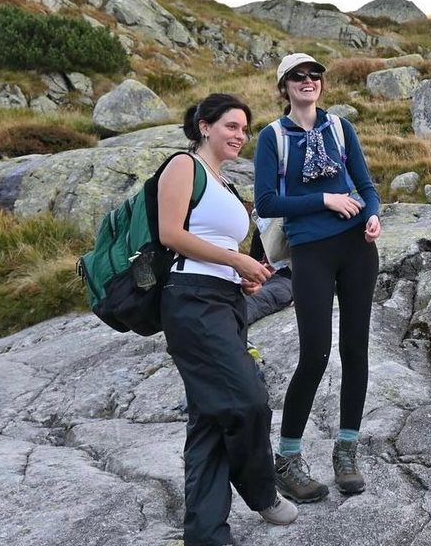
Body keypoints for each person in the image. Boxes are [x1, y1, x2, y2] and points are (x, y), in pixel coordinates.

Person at [158, 93, 297, 546]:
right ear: (204, 125)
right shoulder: (184, 166)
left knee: (211, 420)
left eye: (244, 129)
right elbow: (172, 234)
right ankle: (261, 491)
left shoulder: (223, 182)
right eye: (231, 126)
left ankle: (205, 534)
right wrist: (237, 261)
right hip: (191, 301)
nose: (240, 135)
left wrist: (244, 278)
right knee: (249, 401)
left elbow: (216, 245)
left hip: (224, 300)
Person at [253, 53, 381, 503]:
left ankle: (346, 451)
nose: (309, 82)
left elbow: (365, 186)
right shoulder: (272, 137)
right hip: (310, 251)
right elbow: (267, 202)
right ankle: (287, 459)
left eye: (314, 76)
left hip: (358, 248)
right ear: (284, 86)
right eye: (298, 77)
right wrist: (325, 199)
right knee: (315, 354)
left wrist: (373, 216)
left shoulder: (341, 128)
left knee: (356, 350)